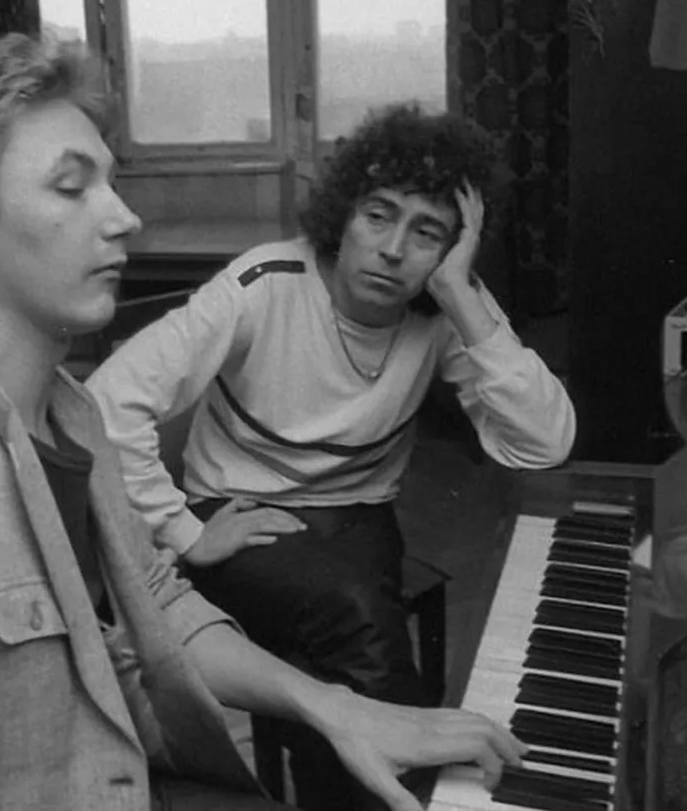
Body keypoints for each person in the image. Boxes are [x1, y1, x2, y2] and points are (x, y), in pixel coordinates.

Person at [0, 33, 525, 811]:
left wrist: (336, 707)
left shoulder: (73, 411)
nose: (125, 217)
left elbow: (155, 603)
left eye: (112, 184)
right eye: (71, 188)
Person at [86, 104, 576, 809]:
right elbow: (107, 404)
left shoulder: (446, 308)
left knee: (345, 639)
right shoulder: (264, 284)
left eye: (427, 233)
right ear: (342, 215)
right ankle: (415, 786)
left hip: (356, 519)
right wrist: (185, 532)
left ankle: (371, 780)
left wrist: (462, 298)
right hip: (238, 514)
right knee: (356, 617)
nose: (393, 250)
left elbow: (544, 442)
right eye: (378, 216)